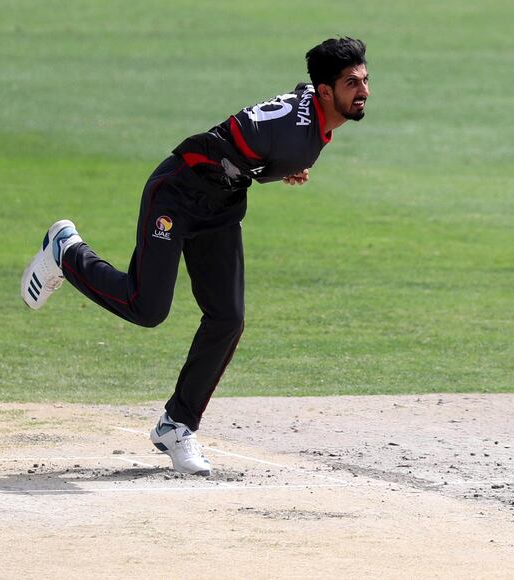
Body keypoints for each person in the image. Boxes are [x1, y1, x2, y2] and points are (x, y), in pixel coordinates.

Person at [20, 37, 370, 476]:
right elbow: (220, 140)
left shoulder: (311, 118)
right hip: (177, 195)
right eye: (352, 82)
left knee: (227, 317)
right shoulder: (290, 132)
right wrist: (278, 164)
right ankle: (67, 251)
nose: (363, 90)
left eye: (364, 79)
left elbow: (258, 150)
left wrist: (277, 168)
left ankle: (177, 425)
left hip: (220, 210)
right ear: (324, 91)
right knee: (146, 308)